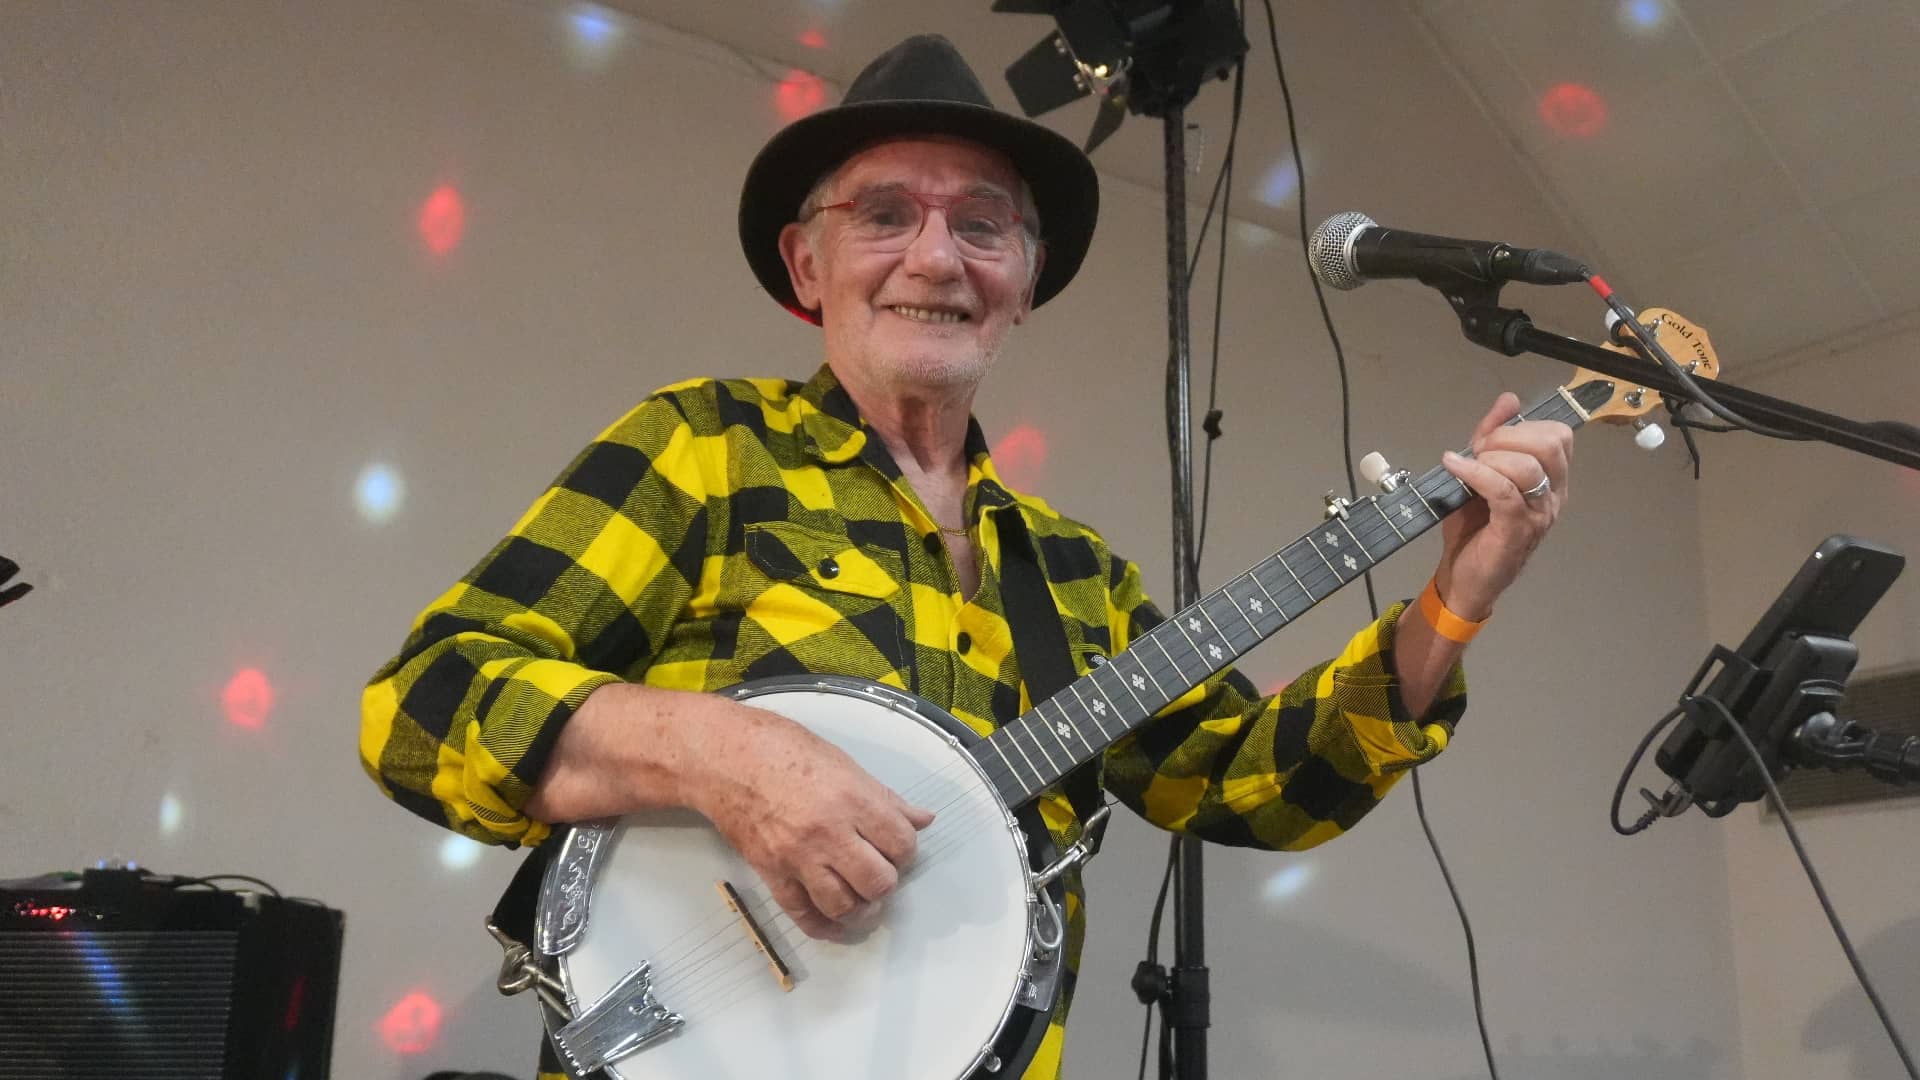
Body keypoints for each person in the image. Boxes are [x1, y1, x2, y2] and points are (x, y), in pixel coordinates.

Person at [359, 34, 1572, 1080]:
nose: (937, 259)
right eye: (885, 215)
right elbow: (421, 707)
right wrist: (728, 752)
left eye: (983, 227)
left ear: (1024, 282)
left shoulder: (1072, 572)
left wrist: (1453, 603)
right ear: (806, 265)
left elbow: (1252, 782)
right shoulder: (704, 448)